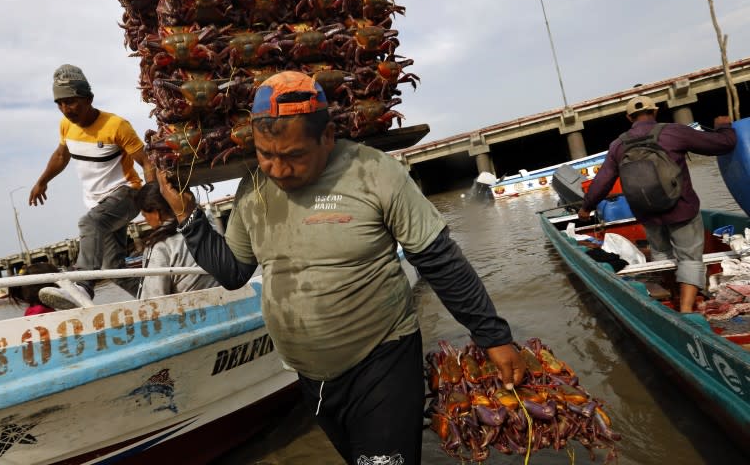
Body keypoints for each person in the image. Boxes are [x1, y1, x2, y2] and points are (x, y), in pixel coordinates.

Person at [156, 71, 524, 465]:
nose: (278, 170)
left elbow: (438, 259)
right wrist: (187, 216)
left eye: (294, 155)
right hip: (311, 379)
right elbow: (233, 272)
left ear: (328, 136)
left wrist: (493, 336)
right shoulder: (253, 189)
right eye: (266, 154)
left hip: (381, 363)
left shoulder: (374, 173)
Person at [578, 95, 736, 312]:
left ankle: (673, 297)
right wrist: (724, 128)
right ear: (655, 111)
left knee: (661, 255)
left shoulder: (618, 145)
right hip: (681, 208)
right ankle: (687, 310)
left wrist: (586, 207)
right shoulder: (673, 131)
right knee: (689, 257)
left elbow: (602, 181)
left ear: (628, 117)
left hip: (647, 213)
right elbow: (722, 145)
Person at [29, 64, 155, 309]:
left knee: (89, 222)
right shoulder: (66, 125)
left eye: (72, 102)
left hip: (127, 193)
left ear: (89, 99)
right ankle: (156, 297)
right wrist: (42, 181)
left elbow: (147, 161)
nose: (66, 109)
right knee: (114, 268)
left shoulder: (117, 126)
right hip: (99, 203)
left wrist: (152, 199)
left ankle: (82, 286)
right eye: (60, 103)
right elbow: (61, 155)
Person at [135, 181, 218, 298]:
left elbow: (151, 298)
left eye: (145, 215)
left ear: (156, 213)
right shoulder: (208, 226)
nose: (146, 221)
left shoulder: (160, 245)